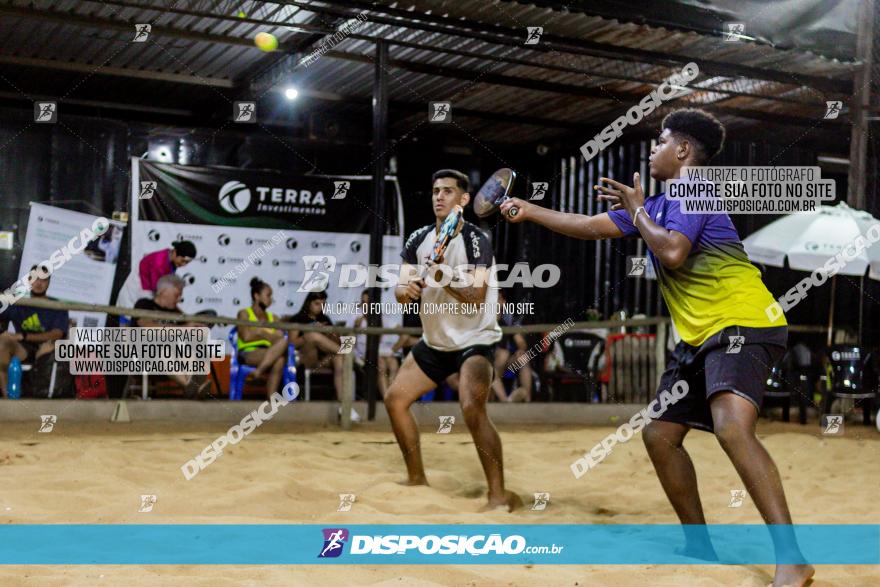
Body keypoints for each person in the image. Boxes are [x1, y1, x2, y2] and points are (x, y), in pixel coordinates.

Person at [500, 108, 812, 586]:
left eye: (659, 141)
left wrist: (639, 209)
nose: (651, 150)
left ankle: (792, 558)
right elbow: (587, 226)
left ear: (683, 150)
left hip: (743, 323)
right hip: (699, 337)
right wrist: (530, 210)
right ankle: (698, 544)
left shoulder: (695, 190)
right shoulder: (663, 205)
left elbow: (671, 252)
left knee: (732, 429)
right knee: (659, 435)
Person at [384, 168, 519, 511]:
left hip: (476, 340)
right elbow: (400, 289)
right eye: (434, 191)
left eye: (447, 191)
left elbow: (475, 295)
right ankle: (417, 479)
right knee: (395, 400)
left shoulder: (478, 240)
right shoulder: (417, 239)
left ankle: (498, 496)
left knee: (472, 409)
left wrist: (441, 274)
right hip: (435, 342)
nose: (438, 197)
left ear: (464, 199)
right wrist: (407, 288)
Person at [287, 290, 358, 422]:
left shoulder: (325, 319)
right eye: (317, 303)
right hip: (307, 358)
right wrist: (309, 333)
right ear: (308, 303)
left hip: (325, 358)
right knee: (313, 335)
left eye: (323, 304)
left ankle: (344, 405)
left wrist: (329, 333)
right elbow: (291, 344)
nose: (320, 307)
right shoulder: (297, 319)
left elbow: (335, 341)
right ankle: (348, 353)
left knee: (339, 360)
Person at [133, 274, 209, 398]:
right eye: (177, 294)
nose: (179, 299)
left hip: (171, 354)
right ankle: (191, 386)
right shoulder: (144, 304)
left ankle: (193, 386)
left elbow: (190, 325)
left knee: (187, 352)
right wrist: (184, 328)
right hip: (143, 353)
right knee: (165, 352)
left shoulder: (176, 311)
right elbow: (147, 327)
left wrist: (199, 326)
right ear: (163, 291)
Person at [0, 265, 68, 397]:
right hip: (23, 348)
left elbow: (57, 334)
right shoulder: (19, 303)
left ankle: (42, 402)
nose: (39, 283)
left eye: (44, 280)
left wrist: (22, 336)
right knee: (2, 342)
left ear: (48, 283)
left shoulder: (57, 305)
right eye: (36, 278)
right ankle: (8, 399)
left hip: (48, 348)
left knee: (52, 348)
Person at [236, 277, 287, 399]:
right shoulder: (244, 313)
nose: (271, 299)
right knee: (279, 357)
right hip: (248, 353)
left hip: (268, 353)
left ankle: (259, 375)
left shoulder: (274, 317)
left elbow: (280, 339)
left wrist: (259, 331)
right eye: (268, 295)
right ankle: (271, 397)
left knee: (281, 355)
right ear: (256, 296)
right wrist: (267, 334)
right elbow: (246, 337)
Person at [117, 240, 197, 308]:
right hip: (135, 295)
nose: (184, 265)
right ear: (175, 252)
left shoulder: (170, 257)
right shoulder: (159, 263)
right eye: (183, 261)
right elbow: (158, 291)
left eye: (187, 262)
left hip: (147, 294)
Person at [353, 289, 399, 398]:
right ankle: (387, 399)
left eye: (368, 304)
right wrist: (355, 329)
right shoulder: (356, 319)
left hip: (380, 352)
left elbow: (404, 333)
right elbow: (347, 341)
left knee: (393, 364)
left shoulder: (382, 318)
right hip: (362, 354)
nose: (365, 306)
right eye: (363, 303)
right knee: (381, 363)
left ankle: (392, 398)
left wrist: (394, 349)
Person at [492, 290, 532, 402]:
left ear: (503, 302)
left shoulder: (508, 318)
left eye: (498, 299)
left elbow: (520, 342)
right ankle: (506, 402)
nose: (494, 302)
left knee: (523, 358)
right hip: (488, 364)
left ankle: (527, 401)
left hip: (505, 362)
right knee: (501, 357)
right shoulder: (482, 318)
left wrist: (521, 349)